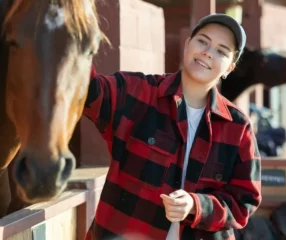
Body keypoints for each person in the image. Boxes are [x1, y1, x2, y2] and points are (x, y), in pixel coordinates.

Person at [83, 13, 262, 240]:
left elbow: (245, 200)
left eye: (222, 51)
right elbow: (86, 91)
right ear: (187, 45)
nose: (208, 52)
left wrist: (197, 206)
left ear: (230, 68)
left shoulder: (238, 127)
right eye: (203, 41)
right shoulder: (138, 93)